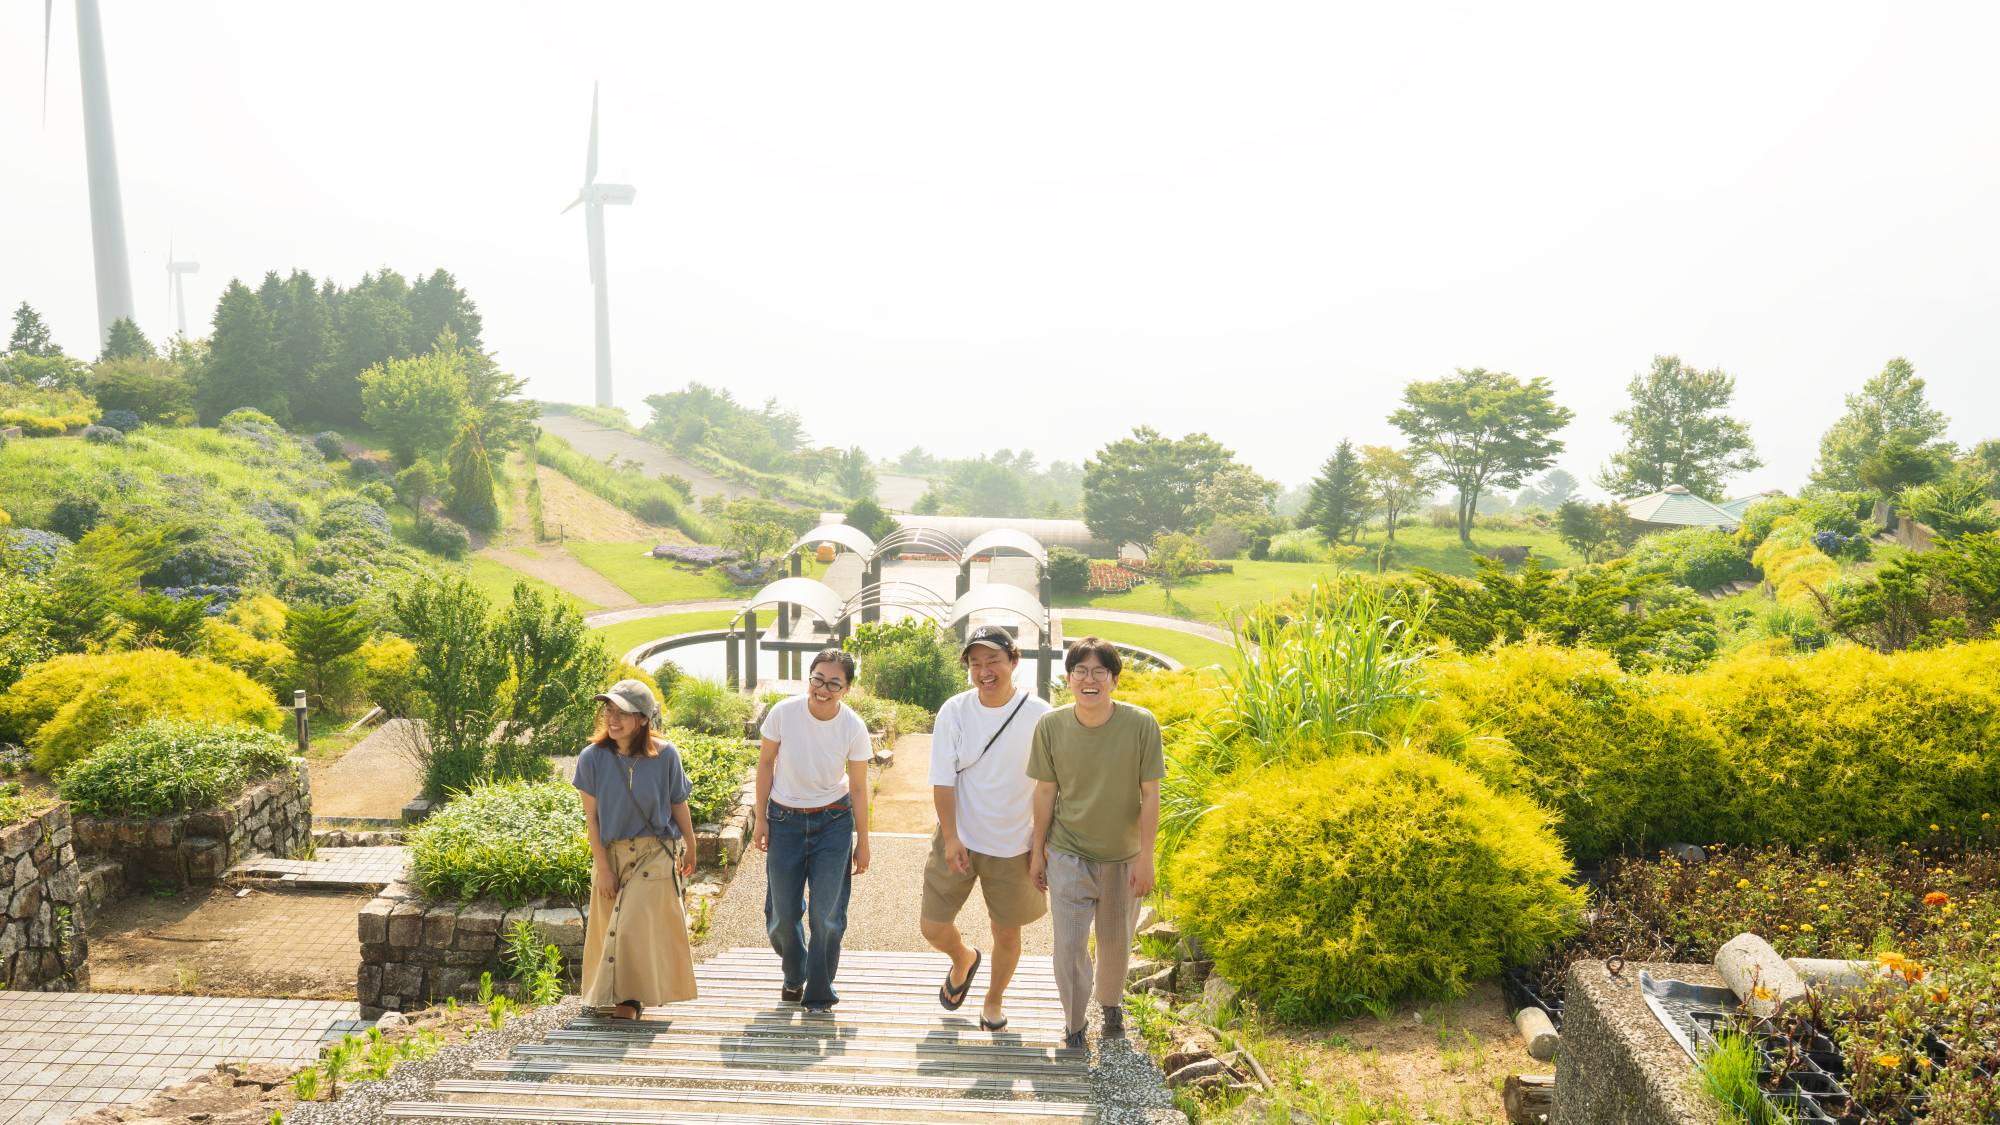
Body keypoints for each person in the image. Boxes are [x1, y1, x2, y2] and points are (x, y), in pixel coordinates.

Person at [1028, 636, 1163, 1049]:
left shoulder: (1141, 724)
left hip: (1123, 857)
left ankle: (1110, 1006)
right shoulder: (1051, 725)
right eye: (1081, 671)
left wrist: (1146, 857)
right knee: (1068, 946)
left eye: (1099, 672)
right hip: (1068, 853)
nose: (1089, 680)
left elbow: (1151, 794)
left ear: (1114, 680)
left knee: (1114, 944)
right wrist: (1038, 853)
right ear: (1068, 679)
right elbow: (1045, 792)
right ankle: (1073, 1023)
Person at [920, 624, 1054, 1031]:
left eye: (993, 660)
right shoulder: (955, 710)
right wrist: (952, 837)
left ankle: (993, 1002)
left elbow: (1050, 785)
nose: (984, 670)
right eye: (975, 663)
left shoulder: (1040, 715)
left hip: (1015, 843)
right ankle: (963, 958)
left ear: (1014, 661)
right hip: (959, 834)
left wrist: (1039, 846)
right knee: (933, 926)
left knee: (1007, 933)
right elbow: (942, 778)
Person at [753, 648, 874, 1012]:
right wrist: (760, 818)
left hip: (833, 823)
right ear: (809, 678)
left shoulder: (853, 726)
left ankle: (819, 991)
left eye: (834, 683)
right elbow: (765, 765)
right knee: (781, 916)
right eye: (818, 679)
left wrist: (863, 841)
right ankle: (795, 972)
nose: (823, 689)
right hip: (784, 820)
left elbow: (858, 786)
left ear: (847, 688)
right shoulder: (783, 714)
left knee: (827, 915)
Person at [573, 678, 699, 1017]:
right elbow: (592, 820)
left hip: (655, 852)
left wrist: (691, 842)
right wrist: (602, 868)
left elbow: (678, 803)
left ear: (642, 719)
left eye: (622, 713)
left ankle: (629, 1000)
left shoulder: (667, 755)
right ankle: (620, 996)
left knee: (631, 923)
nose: (612, 719)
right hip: (612, 852)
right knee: (612, 926)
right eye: (608, 710)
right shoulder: (592, 758)